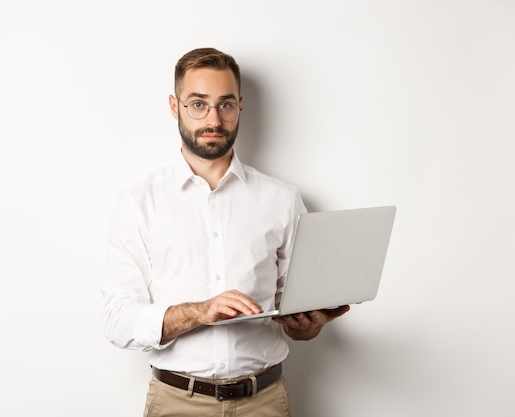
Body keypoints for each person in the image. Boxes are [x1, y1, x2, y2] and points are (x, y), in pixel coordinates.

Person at [101, 47, 350, 417]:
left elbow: (292, 306)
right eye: (198, 104)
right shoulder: (138, 204)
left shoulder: (282, 199)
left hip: (264, 402)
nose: (213, 119)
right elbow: (118, 321)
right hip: (176, 403)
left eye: (225, 104)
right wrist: (200, 311)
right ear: (175, 106)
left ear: (240, 106)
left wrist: (306, 326)